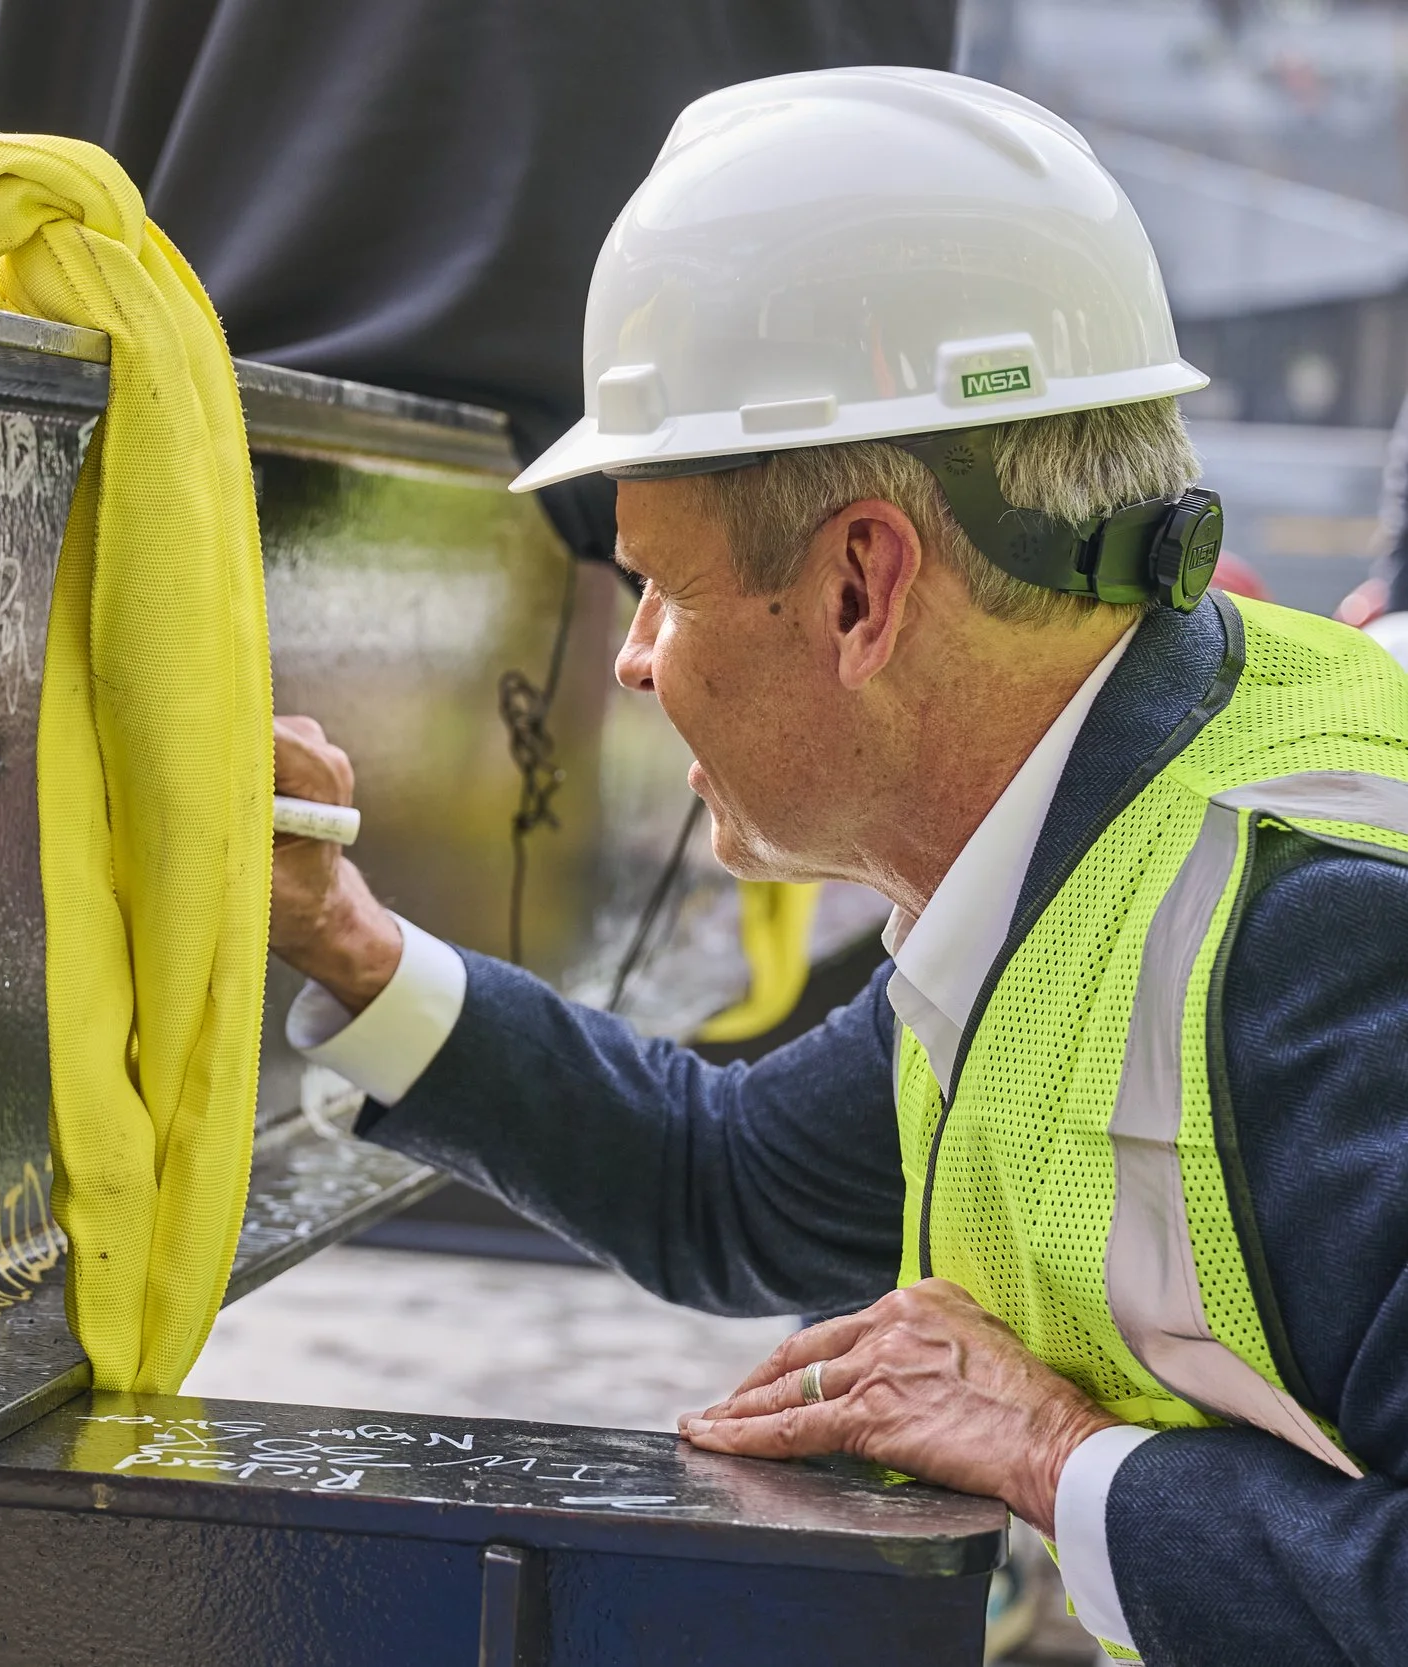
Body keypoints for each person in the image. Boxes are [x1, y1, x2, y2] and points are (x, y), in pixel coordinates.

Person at [270, 69, 1408, 1665]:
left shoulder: (1318, 949)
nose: (635, 660)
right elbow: (719, 1180)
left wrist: (1049, 1453)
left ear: (864, 585)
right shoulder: (1079, 845)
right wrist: (348, 944)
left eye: (658, 587)